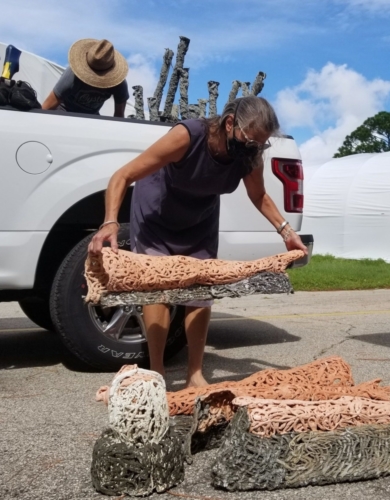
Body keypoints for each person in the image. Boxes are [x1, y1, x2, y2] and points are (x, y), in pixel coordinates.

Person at [88, 96, 308, 387]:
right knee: (159, 288)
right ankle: (157, 372)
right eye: (250, 140)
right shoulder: (187, 136)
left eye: (261, 144)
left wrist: (287, 232)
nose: (255, 148)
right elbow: (123, 175)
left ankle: (194, 374)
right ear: (230, 123)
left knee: (201, 290)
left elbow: (259, 196)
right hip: (157, 213)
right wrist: (110, 221)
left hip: (199, 219)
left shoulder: (249, 154)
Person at [42, 39, 129, 117]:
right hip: (64, 114)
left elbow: (119, 116)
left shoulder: (119, 84)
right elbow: (46, 108)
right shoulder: (71, 76)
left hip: (91, 118)